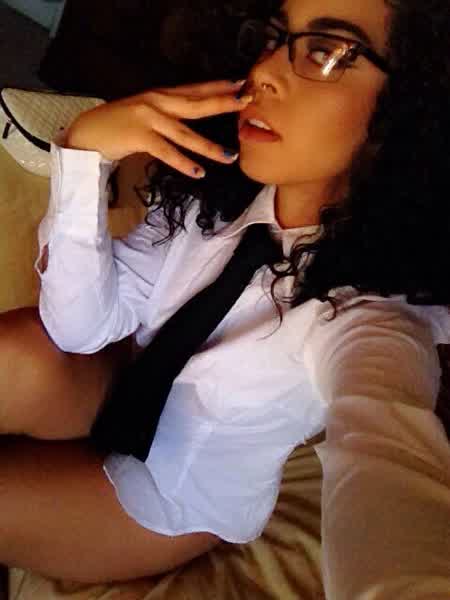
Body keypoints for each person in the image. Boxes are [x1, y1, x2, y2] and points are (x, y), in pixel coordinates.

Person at [0, 0, 450, 597]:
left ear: (413, 103)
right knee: (19, 349)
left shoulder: (372, 317)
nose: (264, 72)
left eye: (325, 51)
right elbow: (78, 329)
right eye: (276, 37)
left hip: (161, 498)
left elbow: (387, 443)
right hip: (114, 390)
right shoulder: (217, 192)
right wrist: (86, 154)